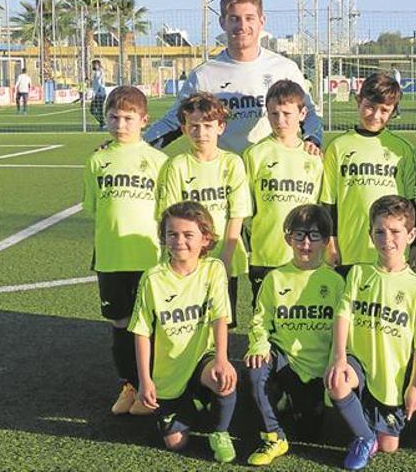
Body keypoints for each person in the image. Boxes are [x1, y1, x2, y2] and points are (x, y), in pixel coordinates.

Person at [324, 195, 416, 471]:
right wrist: (339, 357)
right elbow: (343, 315)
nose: (388, 239)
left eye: (396, 231)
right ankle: (363, 436)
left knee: (389, 446)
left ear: (411, 235)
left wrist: (415, 386)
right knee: (338, 380)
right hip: (358, 365)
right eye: (380, 232)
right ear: (370, 235)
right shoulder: (359, 274)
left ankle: (371, 428)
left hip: (391, 382)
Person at [145, 0, 323, 155]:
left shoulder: (285, 69)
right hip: (224, 176)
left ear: (262, 21)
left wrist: (313, 140)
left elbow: (309, 113)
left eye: (249, 18)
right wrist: (138, 148)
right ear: (223, 22)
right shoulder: (204, 75)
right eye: (234, 18)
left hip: (270, 176)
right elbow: (175, 121)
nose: (242, 26)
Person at [128, 201, 238, 463]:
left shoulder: (213, 269)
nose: (179, 241)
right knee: (176, 444)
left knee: (222, 376)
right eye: (172, 234)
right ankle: (191, 405)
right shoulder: (153, 278)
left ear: (205, 239)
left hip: (202, 358)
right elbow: (141, 332)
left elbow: (220, 316)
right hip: (170, 372)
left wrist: (222, 358)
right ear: (163, 238)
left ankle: (219, 432)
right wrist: (145, 380)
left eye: (188, 235)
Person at [82, 86, 167, 416]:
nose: (120, 124)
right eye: (114, 117)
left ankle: (155, 386)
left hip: (150, 257)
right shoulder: (97, 160)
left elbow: (166, 212)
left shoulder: (159, 161)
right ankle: (129, 386)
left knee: (151, 325)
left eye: (129, 118)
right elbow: (94, 208)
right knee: (120, 323)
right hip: (111, 256)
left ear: (144, 120)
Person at [245, 204, 344, 466]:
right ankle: (274, 435)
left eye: (314, 236)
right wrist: (259, 344)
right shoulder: (275, 278)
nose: (306, 243)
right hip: (284, 360)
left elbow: (343, 331)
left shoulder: (335, 282)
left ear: (325, 240)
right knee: (256, 369)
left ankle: (292, 401)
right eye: (299, 235)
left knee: (310, 431)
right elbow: (260, 320)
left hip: (317, 369)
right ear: (288, 238)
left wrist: (336, 363)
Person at [156, 92, 252, 329]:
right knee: (190, 320)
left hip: (222, 255)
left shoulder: (232, 163)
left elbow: (236, 214)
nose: (201, 133)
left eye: (208, 126)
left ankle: (221, 363)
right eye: (194, 126)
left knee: (221, 322)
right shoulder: (176, 165)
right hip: (187, 259)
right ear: (184, 128)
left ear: (221, 127)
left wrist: (226, 259)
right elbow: (169, 216)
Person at [319, 72, 416, 277]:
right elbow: (329, 202)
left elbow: (412, 204)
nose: (375, 116)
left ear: (393, 112)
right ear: (358, 101)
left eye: (384, 110)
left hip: (392, 254)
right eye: (370, 107)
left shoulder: (402, 150)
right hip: (350, 251)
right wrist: (331, 241)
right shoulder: (338, 147)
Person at [243, 80, 323, 301]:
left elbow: (318, 209)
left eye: (287, 113)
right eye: (273, 114)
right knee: (264, 322)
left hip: (305, 255)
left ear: (303, 113)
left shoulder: (314, 158)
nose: (280, 120)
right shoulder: (255, 154)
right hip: (265, 254)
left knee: (300, 320)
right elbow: (247, 208)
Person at [90, 60, 107, 130]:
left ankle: (103, 124)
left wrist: (94, 94)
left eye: (94, 65)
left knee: (94, 110)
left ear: (98, 65)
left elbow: (98, 84)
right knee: (95, 110)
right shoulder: (99, 72)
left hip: (99, 94)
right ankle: (102, 123)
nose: (93, 66)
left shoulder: (99, 72)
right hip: (100, 93)